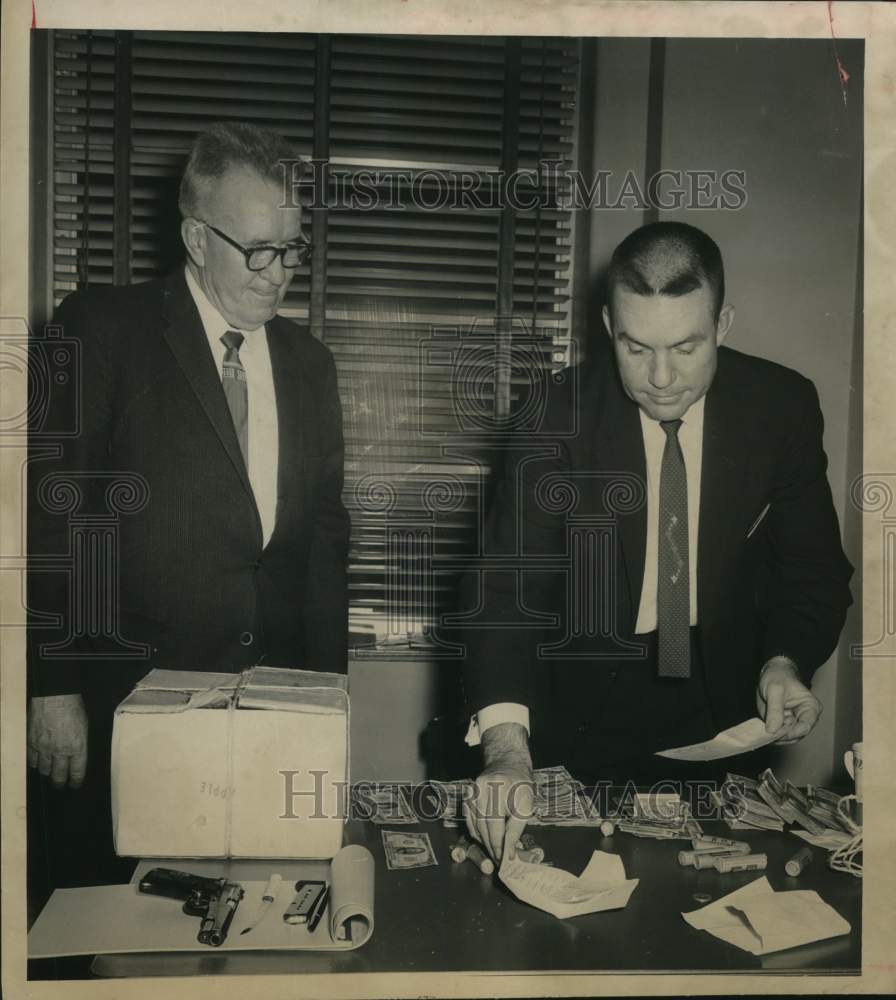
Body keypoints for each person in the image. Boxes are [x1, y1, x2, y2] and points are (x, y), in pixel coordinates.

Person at [459, 222, 854, 862]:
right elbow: (504, 590)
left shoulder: (781, 407)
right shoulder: (554, 415)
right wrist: (506, 752)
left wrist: (785, 662)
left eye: (687, 347)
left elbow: (814, 571)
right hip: (575, 712)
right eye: (636, 348)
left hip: (723, 712)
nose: (662, 378)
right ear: (609, 325)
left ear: (723, 324)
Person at [26, 121, 350, 885]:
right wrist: (51, 685)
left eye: (293, 248)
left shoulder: (311, 365)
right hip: (130, 709)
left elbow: (324, 542)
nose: (279, 274)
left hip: (270, 714)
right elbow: (50, 515)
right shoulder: (103, 329)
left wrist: (328, 701)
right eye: (258, 250)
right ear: (197, 239)